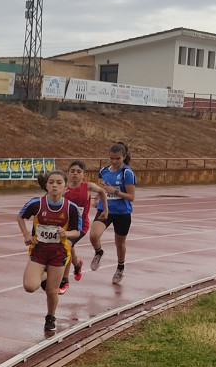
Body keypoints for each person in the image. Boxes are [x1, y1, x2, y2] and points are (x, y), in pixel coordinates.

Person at [18, 170, 82, 332]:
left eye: (59, 182)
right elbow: (20, 217)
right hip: (39, 250)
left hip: (58, 253)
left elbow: (76, 231)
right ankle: (44, 275)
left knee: (52, 291)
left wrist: (66, 233)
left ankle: (50, 316)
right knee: (30, 286)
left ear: (65, 187)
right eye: (51, 182)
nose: (54, 185)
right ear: (46, 185)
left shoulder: (71, 208)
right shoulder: (36, 204)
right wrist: (26, 235)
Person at [89, 141, 137, 284]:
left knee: (119, 243)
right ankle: (99, 252)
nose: (114, 161)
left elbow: (131, 197)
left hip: (122, 212)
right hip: (106, 209)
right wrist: (98, 197)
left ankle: (120, 268)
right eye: (112, 158)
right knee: (93, 235)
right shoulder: (104, 171)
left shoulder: (127, 173)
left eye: (118, 158)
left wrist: (114, 191)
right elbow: (102, 188)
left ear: (124, 157)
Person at [58, 160, 107, 294]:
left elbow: (102, 192)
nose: (75, 174)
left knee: (67, 246)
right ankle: (77, 265)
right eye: (72, 171)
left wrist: (105, 210)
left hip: (80, 226)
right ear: (67, 173)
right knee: (69, 246)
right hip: (65, 225)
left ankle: (64, 280)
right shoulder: (63, 188)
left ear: (84, 175)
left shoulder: (88, 187)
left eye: (79, 172)